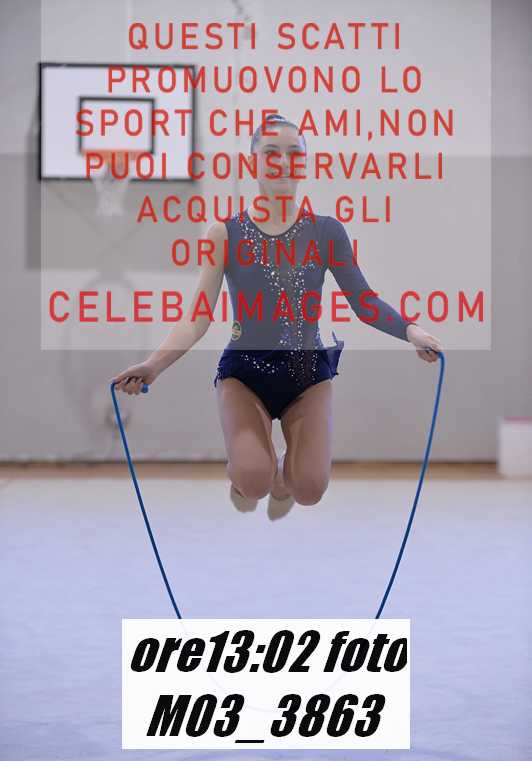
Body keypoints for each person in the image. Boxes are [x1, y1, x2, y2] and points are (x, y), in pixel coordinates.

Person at [111, 114, 442, 520]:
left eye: (293, 153)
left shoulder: (326, 232)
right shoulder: (225, 233)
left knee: (309, 488)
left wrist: (411, 331)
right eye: (271, 152)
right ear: (252, 162)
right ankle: (251, 472)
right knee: (253, 479)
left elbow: (363, 300)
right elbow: (197, 317)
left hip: (307, 375)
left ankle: (283, 476)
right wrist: (153, 366)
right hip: (244, 375)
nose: (283, 161)